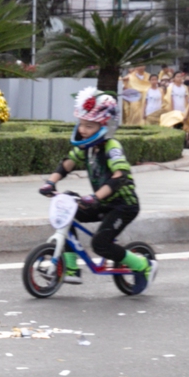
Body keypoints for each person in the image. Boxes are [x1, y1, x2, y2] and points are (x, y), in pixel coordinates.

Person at [45, 90, 145, 276]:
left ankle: (142, 265)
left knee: (100, 244)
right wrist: (50, 182)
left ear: (105, 126)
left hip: (123, 205)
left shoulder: (112, 147)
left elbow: (119, 176)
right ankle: (72, 269)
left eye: (89, 126)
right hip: (102, 202)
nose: (83, 130)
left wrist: (95, 197)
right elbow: (68, 163)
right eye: (81, 124)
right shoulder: (87, 147)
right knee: (65, 209)